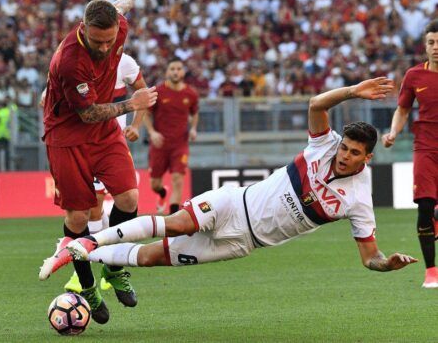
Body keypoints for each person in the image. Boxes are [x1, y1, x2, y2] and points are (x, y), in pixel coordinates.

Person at [40, 77, 417, 290]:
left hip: (243, 242)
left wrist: (388, 265)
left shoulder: (359, 200)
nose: (345, 154)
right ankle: (91, 239)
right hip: (236, 203)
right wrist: (352, 92)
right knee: (177, 222)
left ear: (367, 158)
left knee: (154, 257)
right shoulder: (325, 145)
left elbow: (371, 258)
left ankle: (84, 253)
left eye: (354, 153)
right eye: (346, 147)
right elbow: (316, 104)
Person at [38, 0, 158, 324]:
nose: (105, 47)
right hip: (68, 137)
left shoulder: (118, 25)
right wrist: (131, 105)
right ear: (83, 27)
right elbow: (87, 114)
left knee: (129, 196)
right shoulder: (69, 61)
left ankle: (115, 268)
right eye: (97, 42)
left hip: (105, 134)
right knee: (78, 219)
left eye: (109, 41)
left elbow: (125, 4)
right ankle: (88, 287)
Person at [64, 52, 147, 293]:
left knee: (127, 199)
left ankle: (110, 264)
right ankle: (90, 266)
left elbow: (144, 93)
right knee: (92, 208)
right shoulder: (75, 62)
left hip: (112, 144)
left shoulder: (126, 62)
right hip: (80, 144)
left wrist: (136, 125)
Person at [382, 19, 438, 288]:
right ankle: (431, 272)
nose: (436, 47)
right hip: (426, 147)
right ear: (425, 46)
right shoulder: (414, 76)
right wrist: (393, 133)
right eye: (431, 42)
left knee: (434, 212)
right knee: (425, 206)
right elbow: (403, 110)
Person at [144, 58, 199, 215]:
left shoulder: (191, 94)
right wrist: (152, 132)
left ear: (183, 72)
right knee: (154, 184)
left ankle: (173, 217)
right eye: (172, 68)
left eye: (178, 68)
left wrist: (193, 129)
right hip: (159, 144)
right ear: (167, 72)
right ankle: (162, 193)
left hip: (180, 145)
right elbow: (145, 114)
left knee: (178, 179)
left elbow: (194, 113)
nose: (175, 71)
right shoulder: (159, 92)